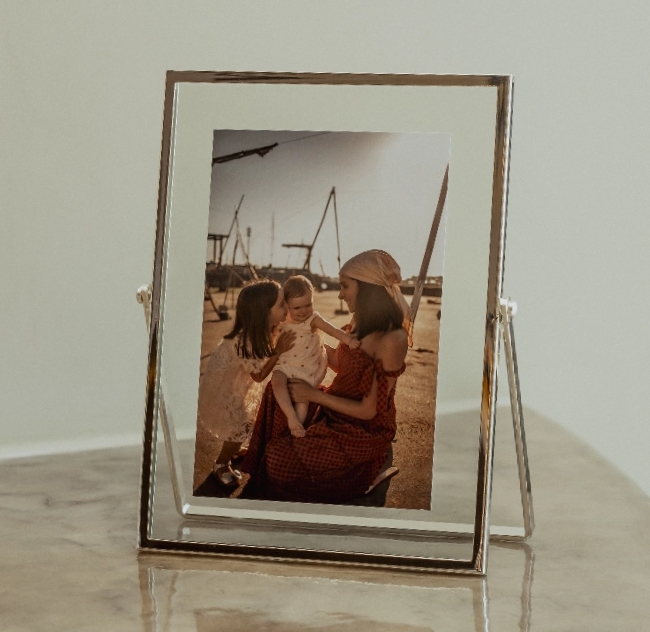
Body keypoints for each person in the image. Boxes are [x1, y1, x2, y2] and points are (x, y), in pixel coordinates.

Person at [241, 250, 412, 504]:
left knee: (277, 463)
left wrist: (313, 395)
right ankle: (282, 446)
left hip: (360, 428)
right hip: (333, 407)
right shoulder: (360, 321)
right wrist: (304, 342)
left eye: (345, 286)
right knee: (275, 392)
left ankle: (368, 472)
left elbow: (369, 411)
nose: (340, 294)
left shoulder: (393, 339)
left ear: (367, 288)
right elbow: (340, 364)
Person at [196, 279, 295, 487]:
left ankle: (233, 450)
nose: (287, 307)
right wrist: (278, 352)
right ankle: (221, 463)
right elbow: (258, 375)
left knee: (242, 424)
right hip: (223, 391)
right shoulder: (244, 341)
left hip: (234, 385)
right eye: (281, 304)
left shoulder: (263, 329)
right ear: (264, 312)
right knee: (240, 426)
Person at [271, 275, 360, 438]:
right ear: (286, 306)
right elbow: (271, 338)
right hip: (287, 363)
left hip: (308, 366)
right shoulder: (282, 320)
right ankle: (291, 416)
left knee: (302, 399)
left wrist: (348, 340)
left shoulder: (313, 319)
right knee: (276, 380)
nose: (303, 311)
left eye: (308, 305)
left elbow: (332, 330)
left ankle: (297, 426)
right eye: (297, 308)